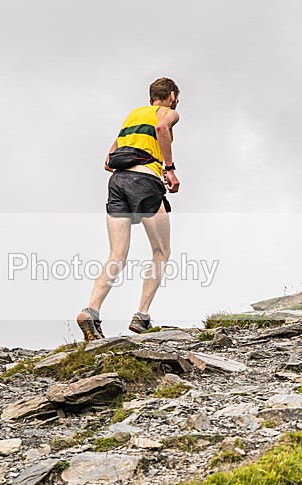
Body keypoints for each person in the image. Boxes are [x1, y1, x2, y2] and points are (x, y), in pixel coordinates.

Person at [77, 78, 180, 339]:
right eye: (176, 98)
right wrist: (168, 169)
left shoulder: (132, 116)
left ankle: (91, 310)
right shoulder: (168, 113)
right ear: (171, 96)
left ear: (150, 97)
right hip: (144, 181)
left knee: (117, 254)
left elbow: (108, 162)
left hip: (118, 181)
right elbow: (161, 128)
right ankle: (141, 316)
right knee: (161, 251)